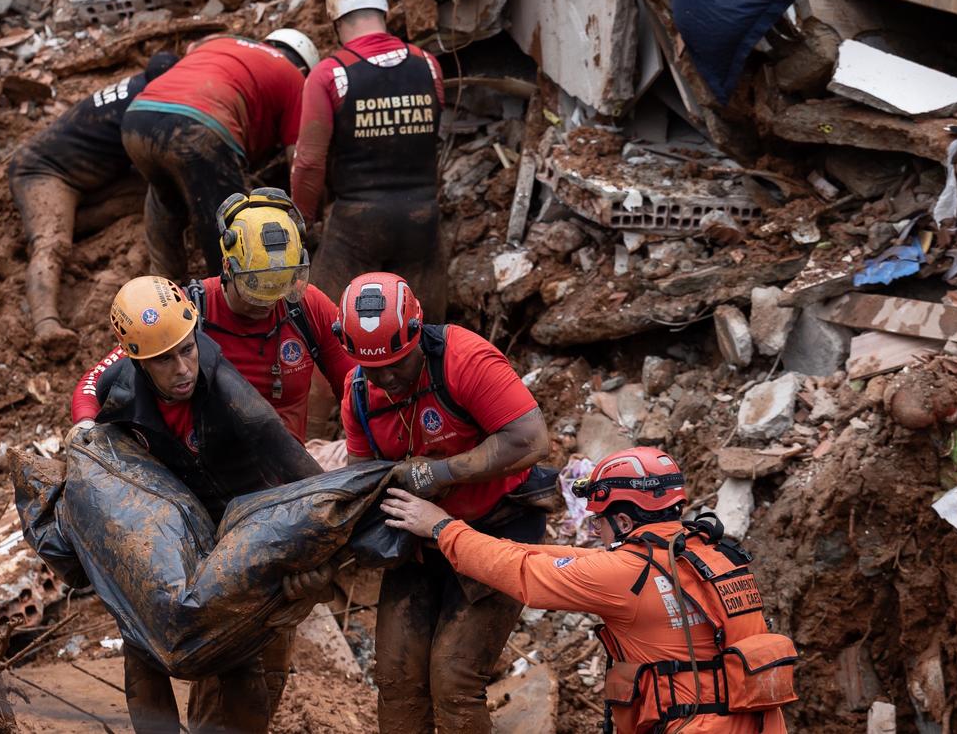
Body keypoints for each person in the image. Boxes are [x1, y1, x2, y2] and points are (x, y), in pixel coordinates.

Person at [69, 276, 333, 734]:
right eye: (164, 360)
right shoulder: (124, 375)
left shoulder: (228, 389)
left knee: (245, 667)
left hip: (235, 517)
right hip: (166, 521)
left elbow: (287, 455)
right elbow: (88, 385)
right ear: (138, 360)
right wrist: (84, 426)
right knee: (141, 643)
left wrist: (330, 525)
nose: (182, 368)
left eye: (187, 350)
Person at [382, 447, 798, 734]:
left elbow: (525, 574)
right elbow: (564, 559)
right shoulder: (710, 554)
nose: (596, 529)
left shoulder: (623, 576)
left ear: (623, 520)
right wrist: (473, 537)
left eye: (599, 518)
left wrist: (441, 527)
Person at [333, 271, 551, 733]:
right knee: (396, 677)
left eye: (398, 362)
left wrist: (439, 472)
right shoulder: (358, 393)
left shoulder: (464, 360)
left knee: (453, 679)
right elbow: (363, 477)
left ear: (416, 335)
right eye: (374, 368)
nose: (387, 378)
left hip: (496, 526)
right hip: (418, 542)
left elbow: (530, 441)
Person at [70, 188, 354, 444]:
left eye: (281, 287)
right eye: (255, 288)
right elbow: (95, 381)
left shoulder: (305, 305)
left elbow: (356, 382)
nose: (268, 304)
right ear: (228, 268)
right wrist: (85, 424)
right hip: (209, 475)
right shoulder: (186, 308)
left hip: (288, 472)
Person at [292, 0, 448, 320]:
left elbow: (309, 162)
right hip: (422, 218)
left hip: (356, 223)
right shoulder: (429, 65)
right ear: (385, 13)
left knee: (326, 325)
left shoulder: (330, 74)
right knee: (425, 331)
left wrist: (303, 221)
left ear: (335, 22)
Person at [9, 51, 178, 358]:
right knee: (53, 241)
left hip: (90, 179)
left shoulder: (143, 85)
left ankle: (66, 220)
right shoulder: (145, 104)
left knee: (150, 194)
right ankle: (46, 324)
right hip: (43, 170)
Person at [122, 29, 320, 283]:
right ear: (305, 70)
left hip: (137, 118)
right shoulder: (295, 78)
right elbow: (301, 159)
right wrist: (305, 219)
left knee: (165, 196)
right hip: (198, 128)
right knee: (231, 224)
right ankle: (230, 298)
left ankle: (164, 284)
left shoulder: (220, 44)